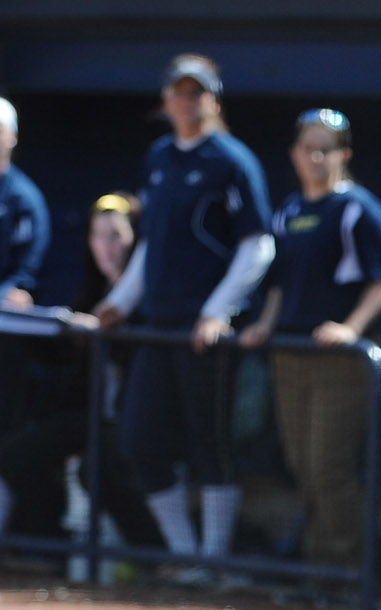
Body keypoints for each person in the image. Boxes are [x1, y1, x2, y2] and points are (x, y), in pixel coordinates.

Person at [92, 53, 273, 583]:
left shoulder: (233, 160)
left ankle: (216, 561)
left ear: (213, 100)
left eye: (198, 93)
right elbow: (153, 245)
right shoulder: (159, 156)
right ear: (166, 99)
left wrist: (217, 312)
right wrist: (120, 301)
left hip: (204, 332)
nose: (188, 101)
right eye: (179, 92)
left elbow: (257, 245)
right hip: (159, 326)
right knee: (138, 442)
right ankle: (189, 554)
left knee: (208, 444)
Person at [238, 108, 381, 568]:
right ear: (293, 154)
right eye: (307, 148)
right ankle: (317, 566)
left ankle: (347, 572)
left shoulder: (359, 209)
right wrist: (264, 325)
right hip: (290, 355)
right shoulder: (288, 211)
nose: (315, 157)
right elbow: (278, 283)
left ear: (343, 154)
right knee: (302, 466)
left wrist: (350, 329)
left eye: (325, 149)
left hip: (342, 360)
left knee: (329, 467)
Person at [0, 193, 160, 551]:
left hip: (131, 418)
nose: (108, 247)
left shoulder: (149, 293)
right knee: (13, 455)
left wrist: (107, 334)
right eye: (99, 236)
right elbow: (61, 358)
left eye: (116, 235)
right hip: (87, 415)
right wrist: (29, 322)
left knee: (98, 468)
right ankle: (50, 543)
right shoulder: (90, 290)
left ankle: (154, 554)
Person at [0, 96, 53, 432]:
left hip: (6, 325)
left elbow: (26, 273)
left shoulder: (23, 197)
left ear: (12, 136)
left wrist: (10, 290)